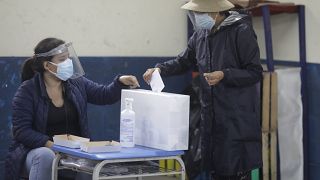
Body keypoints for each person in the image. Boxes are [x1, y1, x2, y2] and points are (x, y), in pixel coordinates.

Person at [143, 0, 263, 179]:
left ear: (215, 12)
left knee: (235, 171)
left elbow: (255, 72)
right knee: (215, 169)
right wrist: (160, 69)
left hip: (235, 120)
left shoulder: (241, 31)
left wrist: (225, 75)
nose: (197, 17)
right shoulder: (201, 34)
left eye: (200, 13)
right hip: (211, 119)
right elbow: (183, 61)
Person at [5, 37, 140, 180]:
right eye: (62, 59)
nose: (68, 63)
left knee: (89, 162)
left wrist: (120, 82)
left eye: (68, 58)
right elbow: (21, 131)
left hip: (72, 152)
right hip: (34, 153)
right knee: (45, 155)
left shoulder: (76, 83)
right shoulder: (27, 91)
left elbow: (103, 95)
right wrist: (53, 146)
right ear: (47, 66)